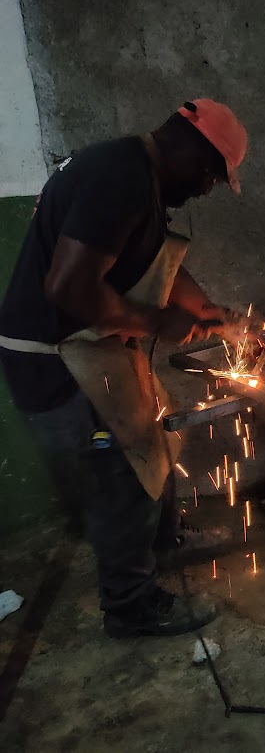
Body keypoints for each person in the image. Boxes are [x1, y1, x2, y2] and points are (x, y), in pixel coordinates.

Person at [0, 99, 248, 638]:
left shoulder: (136, 175)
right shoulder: (121, 178)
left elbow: (158, 262)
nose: (206, 189)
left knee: (154, 434)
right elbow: (68, 286)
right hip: (55, 357)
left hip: (90, 348)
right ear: (191, 149)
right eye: (209, 175)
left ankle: (165, 541)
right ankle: (130, 605)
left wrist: (213, 315)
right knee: (120, 473)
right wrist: (158, 322)